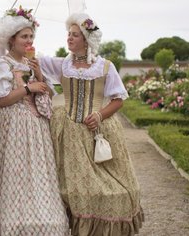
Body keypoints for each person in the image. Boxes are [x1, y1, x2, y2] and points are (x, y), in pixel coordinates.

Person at [40, 13, 144, 235]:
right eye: (69, 34)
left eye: (75, 35)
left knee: (114, 189)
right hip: (67, 131)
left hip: (97, 131)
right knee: (72, 189)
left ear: (86, 40)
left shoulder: (105, 67)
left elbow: (118, 101)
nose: (69, 38)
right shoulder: (62, 65)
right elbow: (28, 60)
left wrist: (99, 115)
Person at [0, 7, 68, 235]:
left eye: (31, 36)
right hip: (11, 125)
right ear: (11, 39)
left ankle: (42, 218)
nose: (29, 41)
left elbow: (47, 95)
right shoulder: (1, 64)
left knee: (37, 174)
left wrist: (39, 76)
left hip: (35, 125)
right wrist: (28, 87)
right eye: (24, 37)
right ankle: (12, 221)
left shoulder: (32, 63)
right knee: (13, 174)